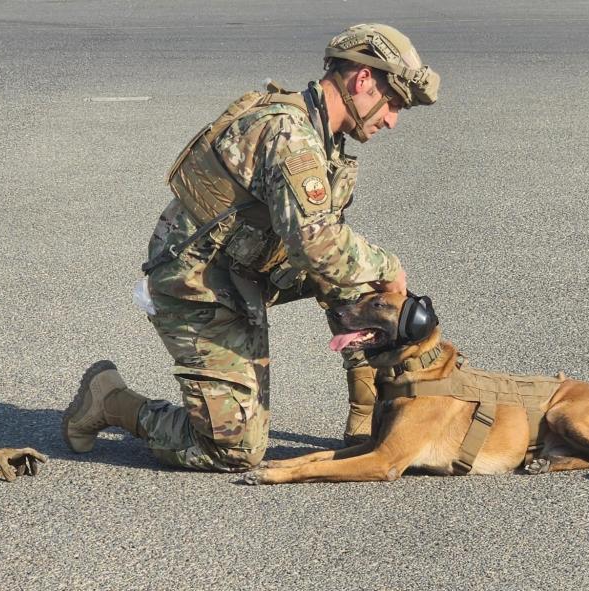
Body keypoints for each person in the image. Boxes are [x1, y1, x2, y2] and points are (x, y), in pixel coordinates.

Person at [62, 23, 439, 472]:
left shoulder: (322, 134)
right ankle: (111, 401)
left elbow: (324, 244)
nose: (392, 119)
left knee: (362, 278)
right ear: (362, 80)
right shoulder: (290, 134)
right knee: (232, 449)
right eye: (393, 103)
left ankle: (366, 418)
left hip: (251, 266)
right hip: (199, 283)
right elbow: (318, 244)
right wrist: (390, 264)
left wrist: (374, 272)